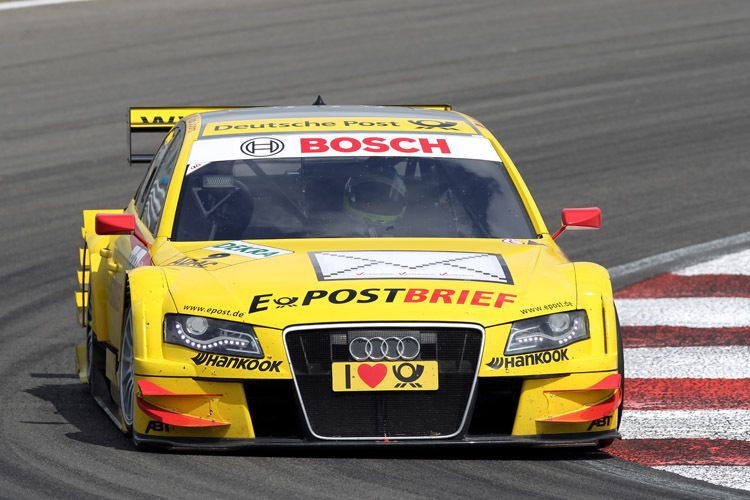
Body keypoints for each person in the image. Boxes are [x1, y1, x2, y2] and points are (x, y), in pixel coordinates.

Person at [342, 158, 407, 237]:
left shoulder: (411, 237)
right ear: (355, 197)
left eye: (382, 196)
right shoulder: (333, 231)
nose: (377, 201)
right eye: (370, 195)